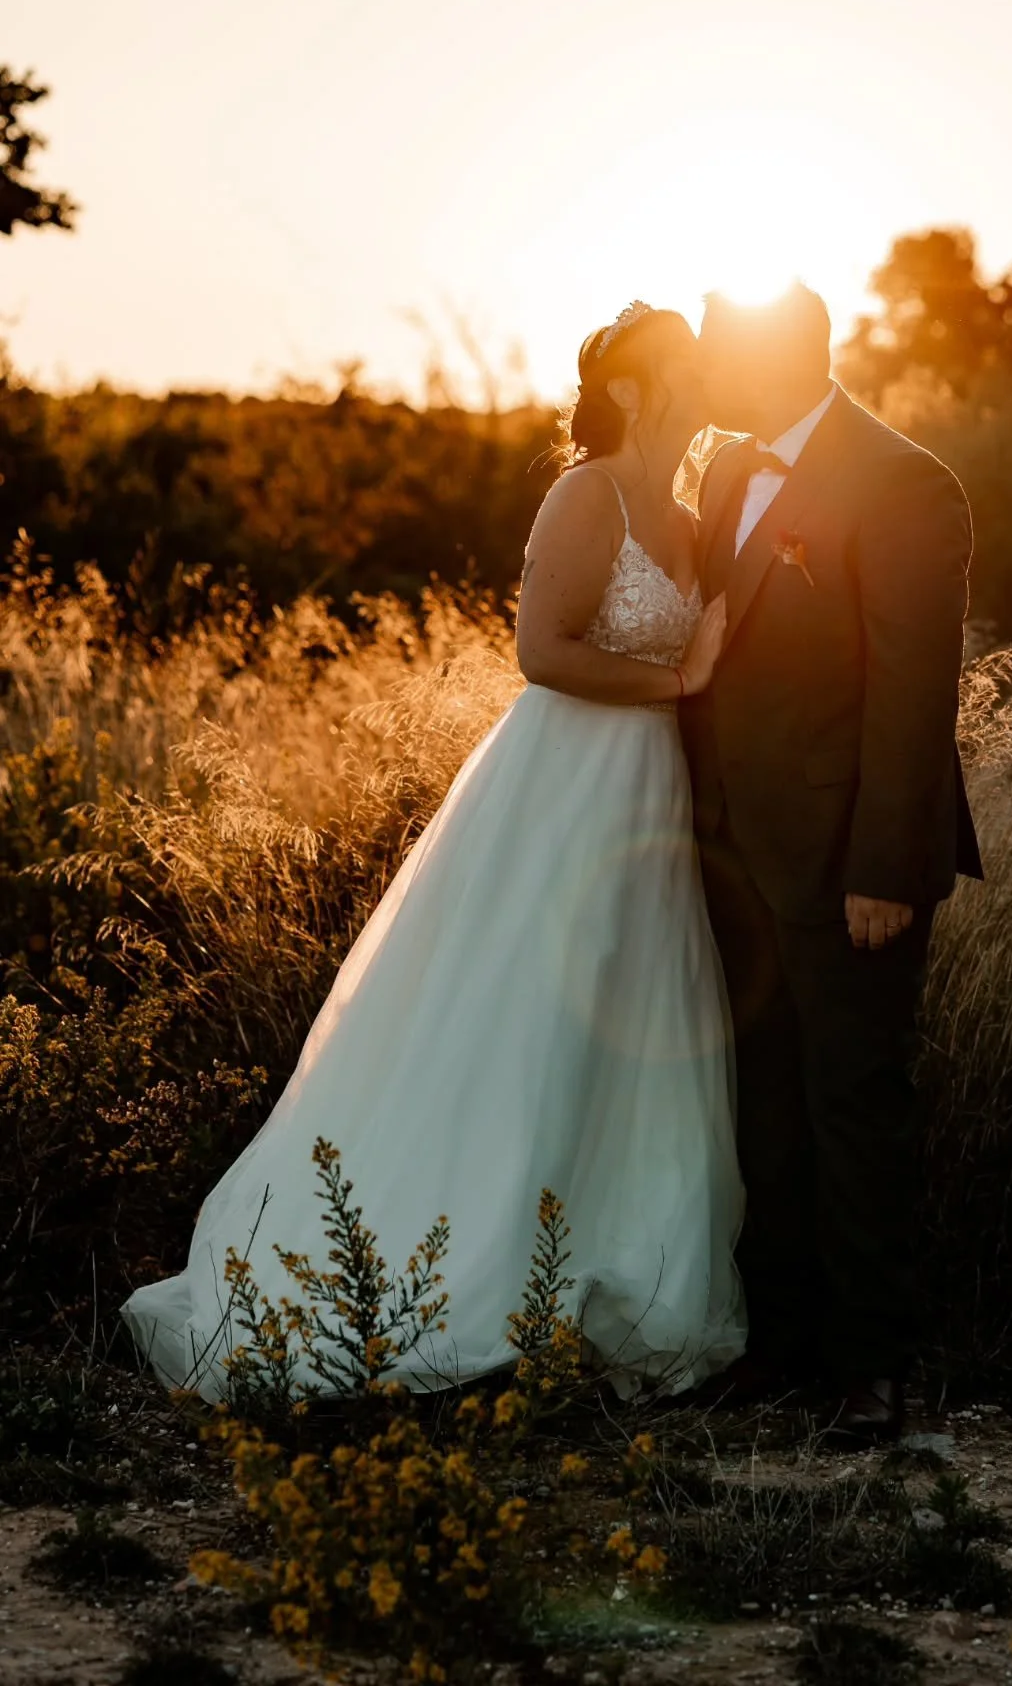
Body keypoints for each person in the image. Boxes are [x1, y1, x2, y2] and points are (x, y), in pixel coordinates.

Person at [121, 302, 746, 1401]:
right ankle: (469, 1278)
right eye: (682, 366)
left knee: (638, 1015)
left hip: (651, 796)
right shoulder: (586, 492)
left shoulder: (694, 512)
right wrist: (676, 683)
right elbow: (541, 652)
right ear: (638, 391)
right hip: (562, 786)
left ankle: (611, 1275)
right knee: (525, 1016)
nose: (702, 377)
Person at [682, 283, 981, 1443]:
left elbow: (913, 694)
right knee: (765, 1101)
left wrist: (885, 867)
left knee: (855, 1102)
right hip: (729, 851)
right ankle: (781, 1350)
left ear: (781, 356)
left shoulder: (905, 482)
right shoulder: (722, 472)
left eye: (722, 354)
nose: (707, 375)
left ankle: (878, 1372)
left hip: (845, 858)